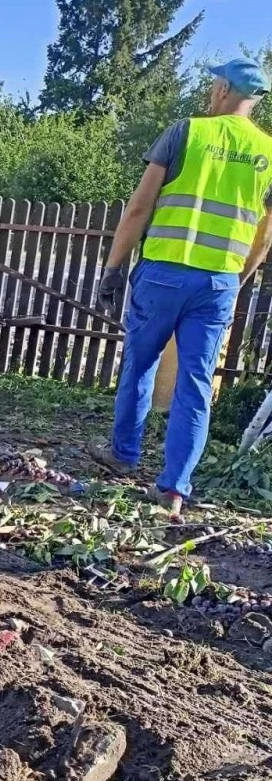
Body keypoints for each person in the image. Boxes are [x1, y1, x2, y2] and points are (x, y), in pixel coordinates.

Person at [96, 58, 272, 515]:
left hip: (163, 272)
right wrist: (236, 278)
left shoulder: (185, 132)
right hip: (217, 282)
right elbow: (265, 235)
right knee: (195, 383)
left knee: (140, 364)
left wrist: (114, 267)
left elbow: (138, 208)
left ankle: (124, 455)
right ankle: (174, 488)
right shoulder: (268, 154)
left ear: (221, 89)